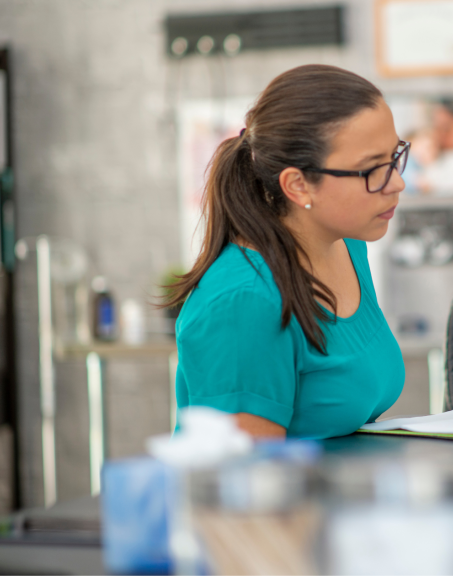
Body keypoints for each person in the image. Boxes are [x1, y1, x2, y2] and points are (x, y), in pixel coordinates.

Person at [166, 65, 408, 439]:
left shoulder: (347, 245)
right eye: (371, 169)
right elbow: (246, 486)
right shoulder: (243, 302)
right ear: (298, 185)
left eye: (395, 157)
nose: (397, 182)